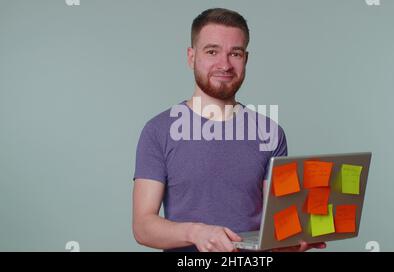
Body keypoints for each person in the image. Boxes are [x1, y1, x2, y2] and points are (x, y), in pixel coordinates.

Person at [132, 8, 326, 252]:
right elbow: (143, 226)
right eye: (212, 51)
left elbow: (275, 227)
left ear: (246, 59)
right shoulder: (158, 131)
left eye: (235, 53)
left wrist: (291, 243)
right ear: (191, 57)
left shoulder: (271, 133)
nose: (224, 64)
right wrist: (197, 233)